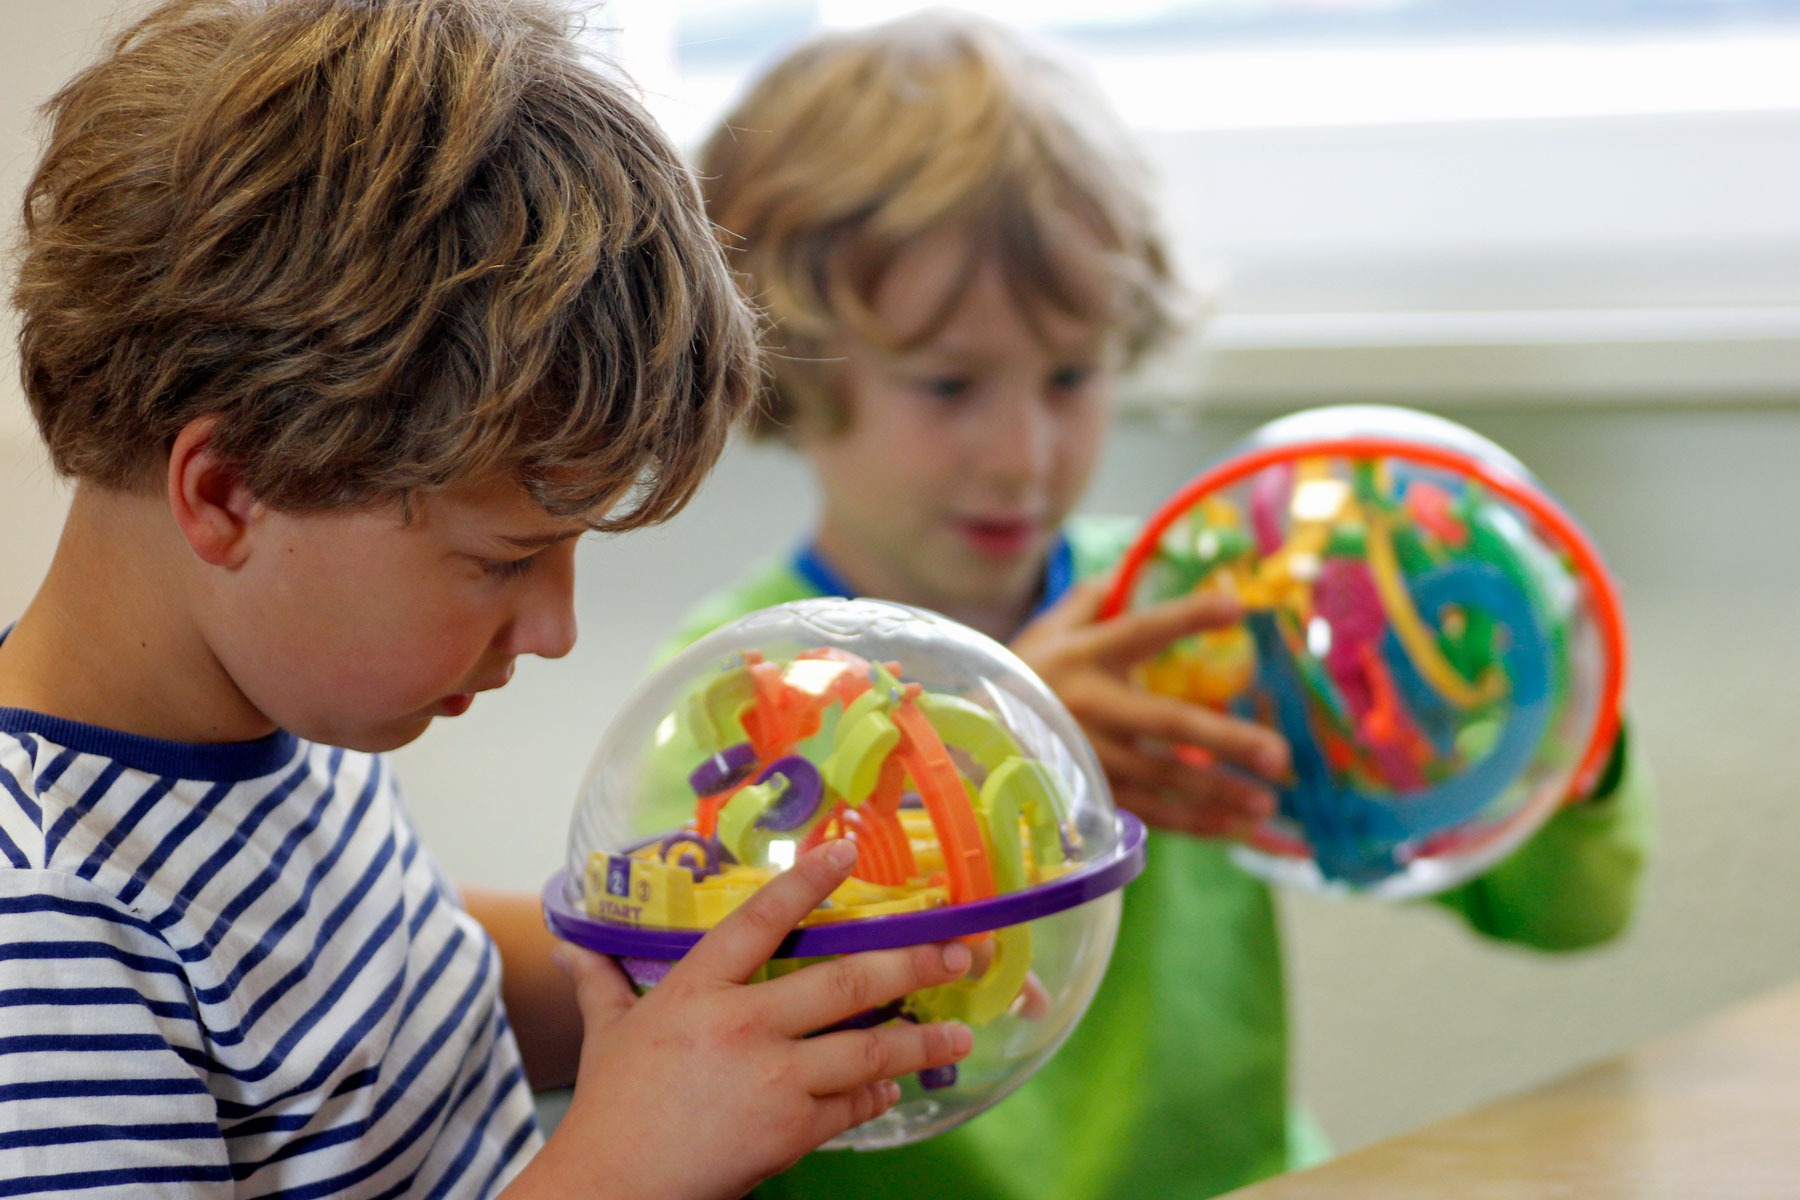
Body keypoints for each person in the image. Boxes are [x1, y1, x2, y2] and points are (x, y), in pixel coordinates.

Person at [660, 12, 1654, 1198]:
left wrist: (1536, 701)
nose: (1023, 454)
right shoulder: (730, 696)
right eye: (950, 384)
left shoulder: (1205, 610)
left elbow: (1573, 911)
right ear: (789, 366)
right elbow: (715, 1028)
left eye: (1072, 374)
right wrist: (1028, 749)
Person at [0, 2, 978, 1196]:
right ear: (230, 493)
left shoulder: (267, 719)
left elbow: (386, 983)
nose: (555, 630)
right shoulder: (43, 933)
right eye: (504, 560)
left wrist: (720, 961)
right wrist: (622, 1164)